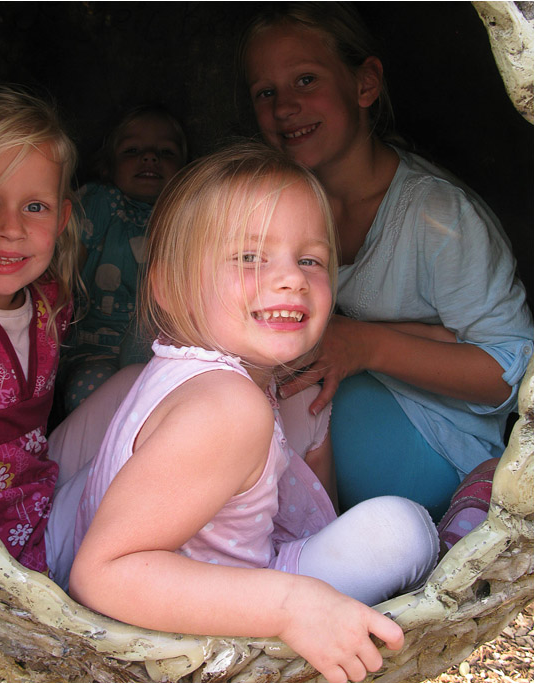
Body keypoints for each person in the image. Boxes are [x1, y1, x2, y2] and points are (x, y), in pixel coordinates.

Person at [68, 142, 439, 683]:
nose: (292, 279)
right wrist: (290, 606)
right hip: (182, 620)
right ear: (171, 287)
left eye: (310, 260)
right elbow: (101, 576)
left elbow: (315, 501)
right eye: (249, 257)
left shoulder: (184, 370)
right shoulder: (227, 407)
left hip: (138, 558)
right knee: (402, 530)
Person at [238, 2, 533, 524]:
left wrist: (365, 345)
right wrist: (410, 336)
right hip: (345, 421)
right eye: (266, 92)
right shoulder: (277, 204)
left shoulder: (437, 216)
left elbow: (509, 374)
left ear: (365, 84)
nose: (285, 107)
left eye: (306, 80)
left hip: (441, 443)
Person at [0, 87, 80, 574]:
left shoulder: (51, 302)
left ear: (61, 218)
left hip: (37, 502)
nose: (10, 227)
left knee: (136, 385)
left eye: (35, 207)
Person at [59, 104, 187, 414]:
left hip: (163, 352)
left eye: (166, 152)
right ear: (108, 165)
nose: (150, 157)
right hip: (94, 348)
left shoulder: (186, 216)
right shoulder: (101, 201)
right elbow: (64, 271)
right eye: (133, 150)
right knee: (92, 390)